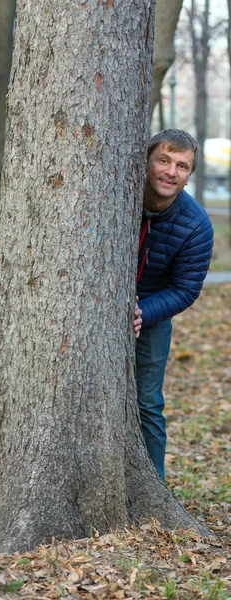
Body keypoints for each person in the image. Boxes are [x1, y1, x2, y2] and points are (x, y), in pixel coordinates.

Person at [136, 129, 214, 481]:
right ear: (147, 161)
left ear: (189, 176)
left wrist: (143, 312)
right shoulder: (117, 196)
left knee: (148, 403)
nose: (170, 172)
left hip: (153, 312)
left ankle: (154, 485)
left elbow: (185, 289)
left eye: (182, 166)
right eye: (163, 160)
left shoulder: (196, 224)